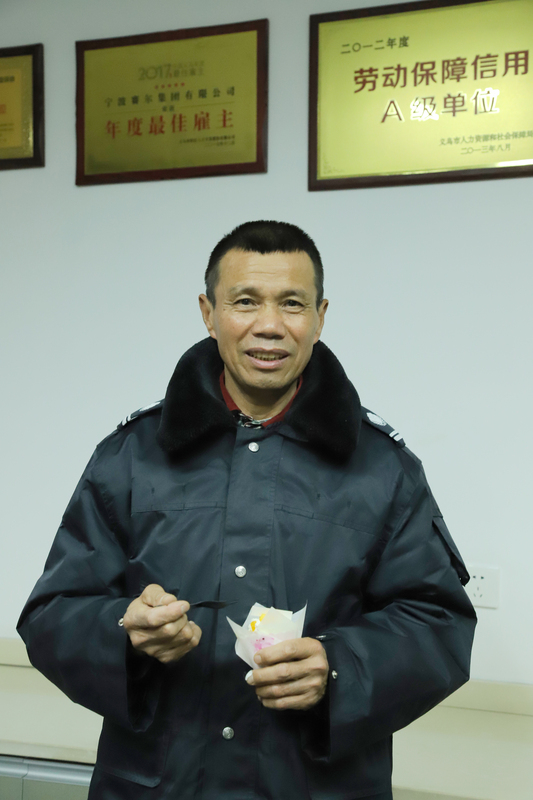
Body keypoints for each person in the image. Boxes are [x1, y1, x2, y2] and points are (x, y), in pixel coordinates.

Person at [18, 220, 476, 800]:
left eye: (292, 303)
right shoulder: (132, 456)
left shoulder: (383, 468)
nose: (269, 325)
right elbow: (53, 612)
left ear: (320, 317)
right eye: (245, 301)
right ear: (208, 313)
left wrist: (338, 668)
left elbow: (438, 624)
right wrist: (125, 632)